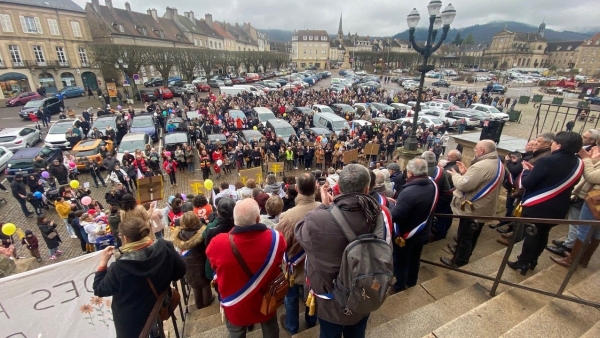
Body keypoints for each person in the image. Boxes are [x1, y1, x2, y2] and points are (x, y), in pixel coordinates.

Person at [295, 164, 385, 337]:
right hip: (363, 290)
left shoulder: (318, 218)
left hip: (330, 298)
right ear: (367, 188)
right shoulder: (377, 214)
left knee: (329, 333)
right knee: (357, 331)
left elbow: (300, 231)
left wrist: (323, 206)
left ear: (339, 188)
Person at [93, 217, 186, 338]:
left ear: (125, 238)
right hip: (157, 305)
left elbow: (99, 289)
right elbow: (180, 271)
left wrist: (102, 262)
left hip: (132, 319)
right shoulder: (165, 247)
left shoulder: (119, 267)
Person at [206, 198, 286, 337]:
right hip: (265, 300)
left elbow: (214, 267)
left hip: (235, 304)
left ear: (235, 219)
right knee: (270, 327)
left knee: (236, 332)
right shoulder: (276, 239)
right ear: (257, 218)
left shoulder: (217, 243)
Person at [509, 132, 584, 274]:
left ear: (559, 145)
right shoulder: (578, 163)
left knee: (532, 234)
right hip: (559, 206)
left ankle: (523, 262)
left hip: (539, 205)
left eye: (554, 142)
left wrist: (526, 172)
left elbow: (527, 183)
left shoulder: (547, 161)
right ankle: (533, 260)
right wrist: (535, 171)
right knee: (544, 234)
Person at [440, 140, 504, 267]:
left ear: (482, 151)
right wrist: (466, 173)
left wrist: (456, 175)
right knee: (473, 235)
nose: (474, 151)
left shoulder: (481, 166)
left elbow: (463, 185)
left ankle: (458, 261)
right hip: (483, 207)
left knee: (465, 236)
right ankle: (464, 255)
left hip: (473, 208)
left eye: (476, 149)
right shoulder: (497, 162)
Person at [275, 172, 320, 334]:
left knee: (292, 299)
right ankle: (311, 321)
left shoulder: (288, 216)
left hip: (294, 270)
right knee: (312, 295)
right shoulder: (324, 209)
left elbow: (280, 245)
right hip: (315, 267)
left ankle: (292, 326)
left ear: (297, 189)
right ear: (316, 188)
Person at [391, 158, 437, 292]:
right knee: (415, 258)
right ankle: (411, 282)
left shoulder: (409, 192)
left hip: (406, 235)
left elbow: (396, 216)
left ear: (410, 173)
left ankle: (399, 286)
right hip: (423, 231)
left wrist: (392, 207)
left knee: (402, 261)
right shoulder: (432, 184)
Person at [551, 147, 600, 268]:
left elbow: (591, 176)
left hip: (595, 198)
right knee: (597, 232)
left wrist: (586, 159)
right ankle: (584, 259)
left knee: (584, 230)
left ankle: (571, 260)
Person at [171, 211, 215, 309]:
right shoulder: (201, 233)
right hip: (200, 262)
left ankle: (198, 304)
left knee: (195, 285)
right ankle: (207, 300)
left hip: (188, 264)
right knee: (204, 283)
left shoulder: (180, 235)